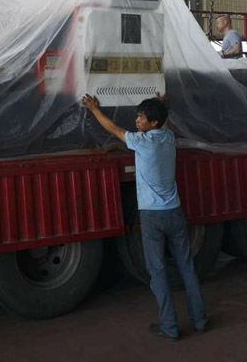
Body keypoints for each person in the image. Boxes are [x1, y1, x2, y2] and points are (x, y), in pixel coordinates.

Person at [81, 93, 208, 341]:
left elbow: (114, 129)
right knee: (187, 267)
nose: (136, 120)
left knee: (158, 272)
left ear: (154, 123)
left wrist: (95, 109)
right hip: (175, 213)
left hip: (152, 217)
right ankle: (200, 320)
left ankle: (169, 327)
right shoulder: (169, 138)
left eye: (141, 117)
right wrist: (162, 106)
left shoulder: (141, 142)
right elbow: (165, 122)